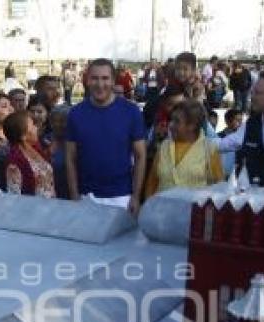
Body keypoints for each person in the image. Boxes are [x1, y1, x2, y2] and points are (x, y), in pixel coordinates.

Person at [66, 58, 147, 214]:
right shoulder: (75, 114)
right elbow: (70, 158)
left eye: (105, 78)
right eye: (94, 78)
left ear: (113, 81)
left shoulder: (131, 112)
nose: (100, 84)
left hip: (122, 196)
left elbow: (140, 156)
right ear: (87, 80)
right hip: (86, 196)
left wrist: (136, 196)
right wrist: (74, 195)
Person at [218, 69, 264, 187]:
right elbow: (221, 145)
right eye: (252, 92)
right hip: (250, 200)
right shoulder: (250, 124)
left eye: (258, 93)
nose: (252, 96)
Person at [144, 100, 224, 198]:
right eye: (171, 120)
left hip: (194, 212)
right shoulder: (163, 146)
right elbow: (152, 183)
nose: (171, 125)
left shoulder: (209, 150)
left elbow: (219, 189)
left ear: (192, 125)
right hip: (162, 211)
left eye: (177, 121)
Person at [4, 110, 55, 198]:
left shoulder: (37, 148)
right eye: (33, 125)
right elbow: (14, 196)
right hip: (33, 209)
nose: (36, 128)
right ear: (23, 136)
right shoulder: (14, 162)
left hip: (50, 206)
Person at [49, 106, 70, 199]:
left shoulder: (75, 143)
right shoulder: (43, 140)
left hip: (70, 194)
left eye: (62, 121)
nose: (57, 124)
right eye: (54, 121)